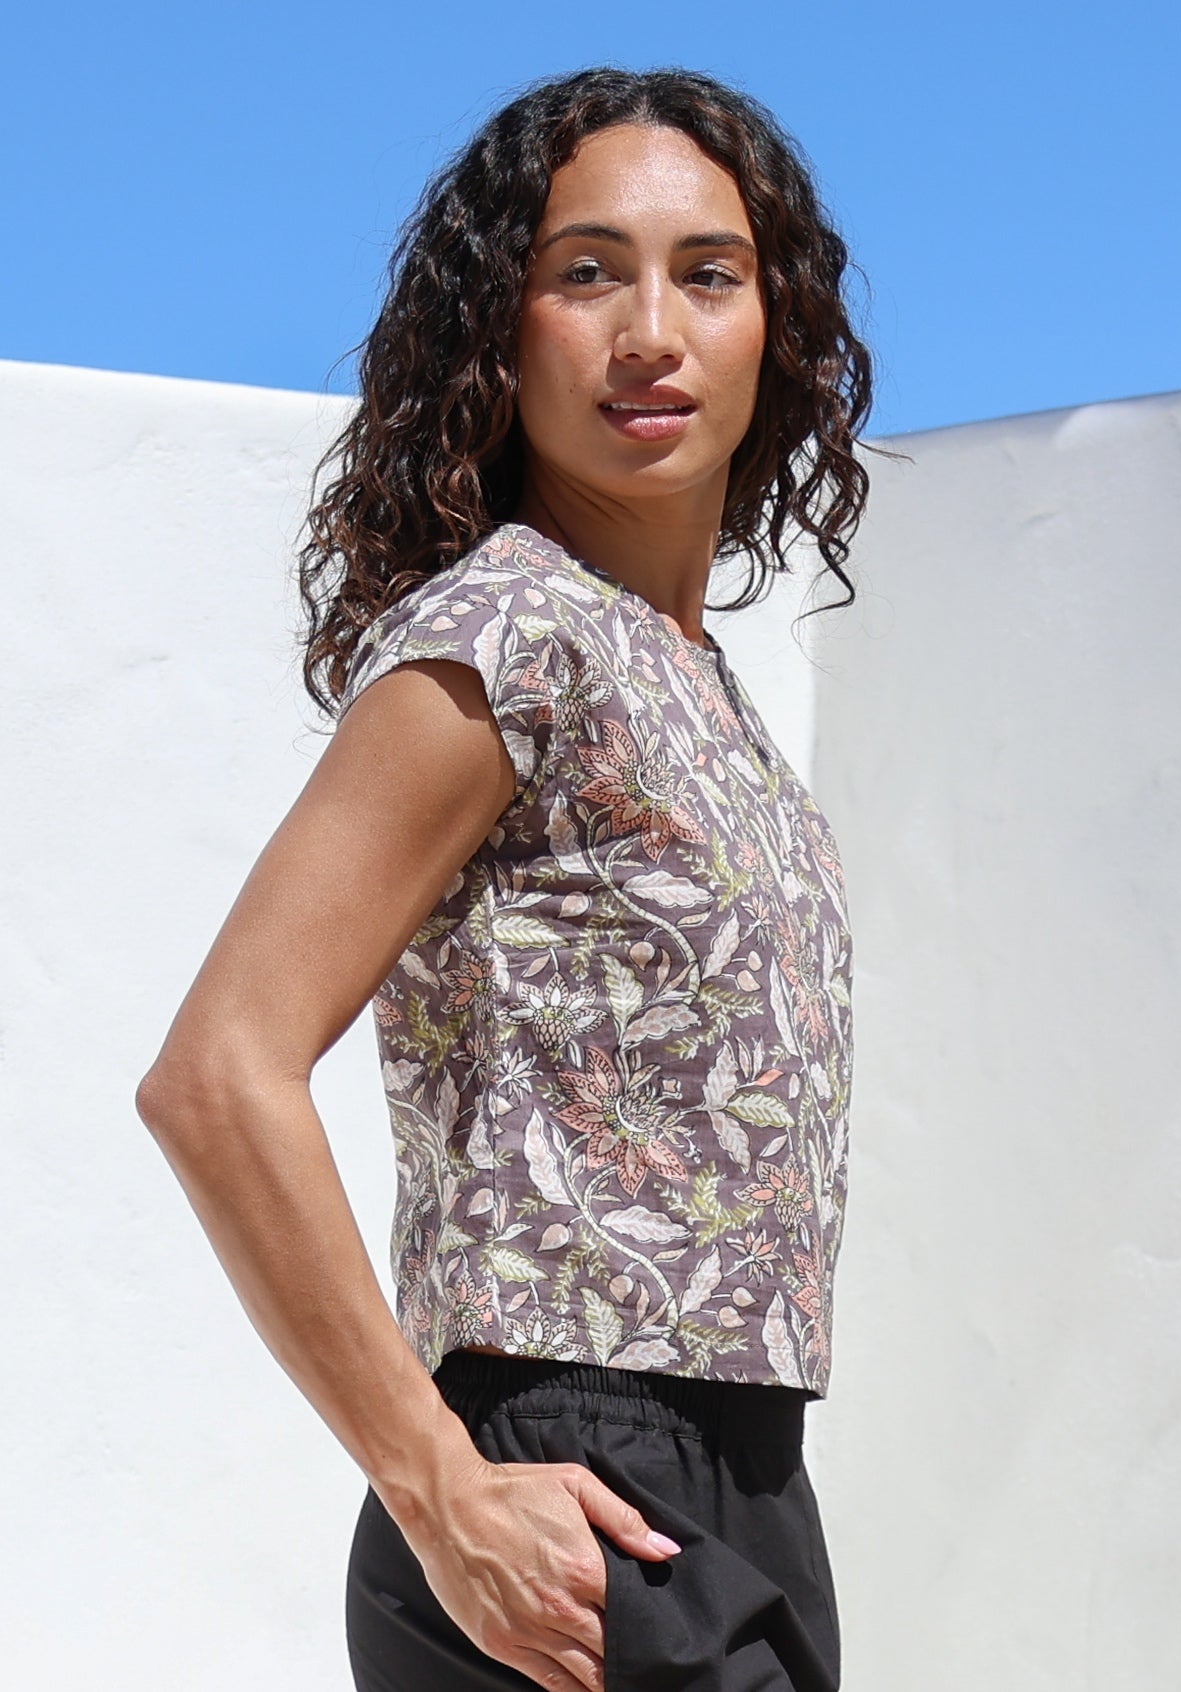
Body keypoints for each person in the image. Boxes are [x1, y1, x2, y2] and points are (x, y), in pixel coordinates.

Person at [136, 64, 883, 1692]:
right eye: (585, 271)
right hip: (565, 1478)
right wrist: (440, 1490)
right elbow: (217, 1073)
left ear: (779, 326)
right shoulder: (506, 638)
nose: (650, 333)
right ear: (503, 328)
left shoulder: (685, 677)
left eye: (709, 273)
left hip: (745, 1479)